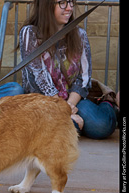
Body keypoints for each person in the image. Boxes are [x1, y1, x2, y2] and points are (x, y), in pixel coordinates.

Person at [19, 0, 117, 139]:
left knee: (101, 126)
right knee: (56, 128)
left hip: (73, 100)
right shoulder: (30, 33)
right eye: (62, 3)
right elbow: (38, 77)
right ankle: (73, 123)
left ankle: (107, 103)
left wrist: (69, 105)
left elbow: (83, 78)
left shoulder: (80, 35)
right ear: (46, 5)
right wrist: (64, 111)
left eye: (71, 2)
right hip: (42, 101)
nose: (69, 8)